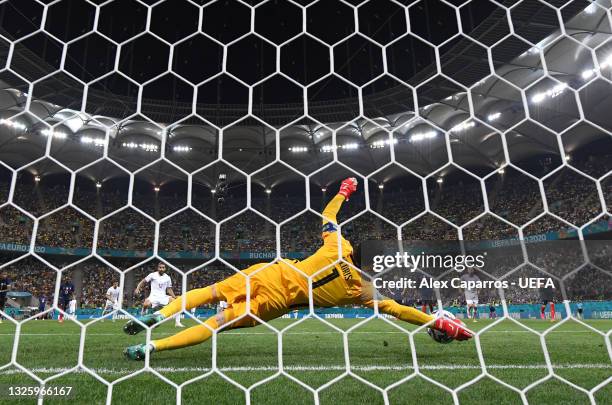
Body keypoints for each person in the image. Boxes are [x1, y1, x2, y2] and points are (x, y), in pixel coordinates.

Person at [122, 178, 472, 360]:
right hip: (278, 303)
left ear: (357, 251)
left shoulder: (339, 247)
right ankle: (154, 349)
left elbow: (329, 216)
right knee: (216, 324)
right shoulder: (362, 291)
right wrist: (435, 321)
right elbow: (397, 309)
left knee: (208, 293)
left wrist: (344, 192)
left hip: (272, 272)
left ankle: (157, 315)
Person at [134, 262, 184, 328]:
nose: (161, 269)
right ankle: (142, 316)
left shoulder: (167, 277)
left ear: (165, 269)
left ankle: (177, 323)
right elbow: (143, 281)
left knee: (177, 303)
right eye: (160, 267)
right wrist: (137, 288)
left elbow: (169, 289)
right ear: (158, 268)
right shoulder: (152, 275)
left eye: (163, 268)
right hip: (153, 297)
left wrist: (174, 297)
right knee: (145, 304)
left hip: (163, 297)